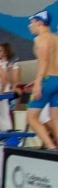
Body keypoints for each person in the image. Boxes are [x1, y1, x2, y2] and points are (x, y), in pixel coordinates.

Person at [26, 11, 58, 150]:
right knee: (55, 119)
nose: (29, 26)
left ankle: (51, 148)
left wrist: (38, 82)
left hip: (47, 81)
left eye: (32, 22)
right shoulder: (56, 38)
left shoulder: (41, 39)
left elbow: (44, 62)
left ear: (39, 22)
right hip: (56, 80)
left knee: (32, 118)